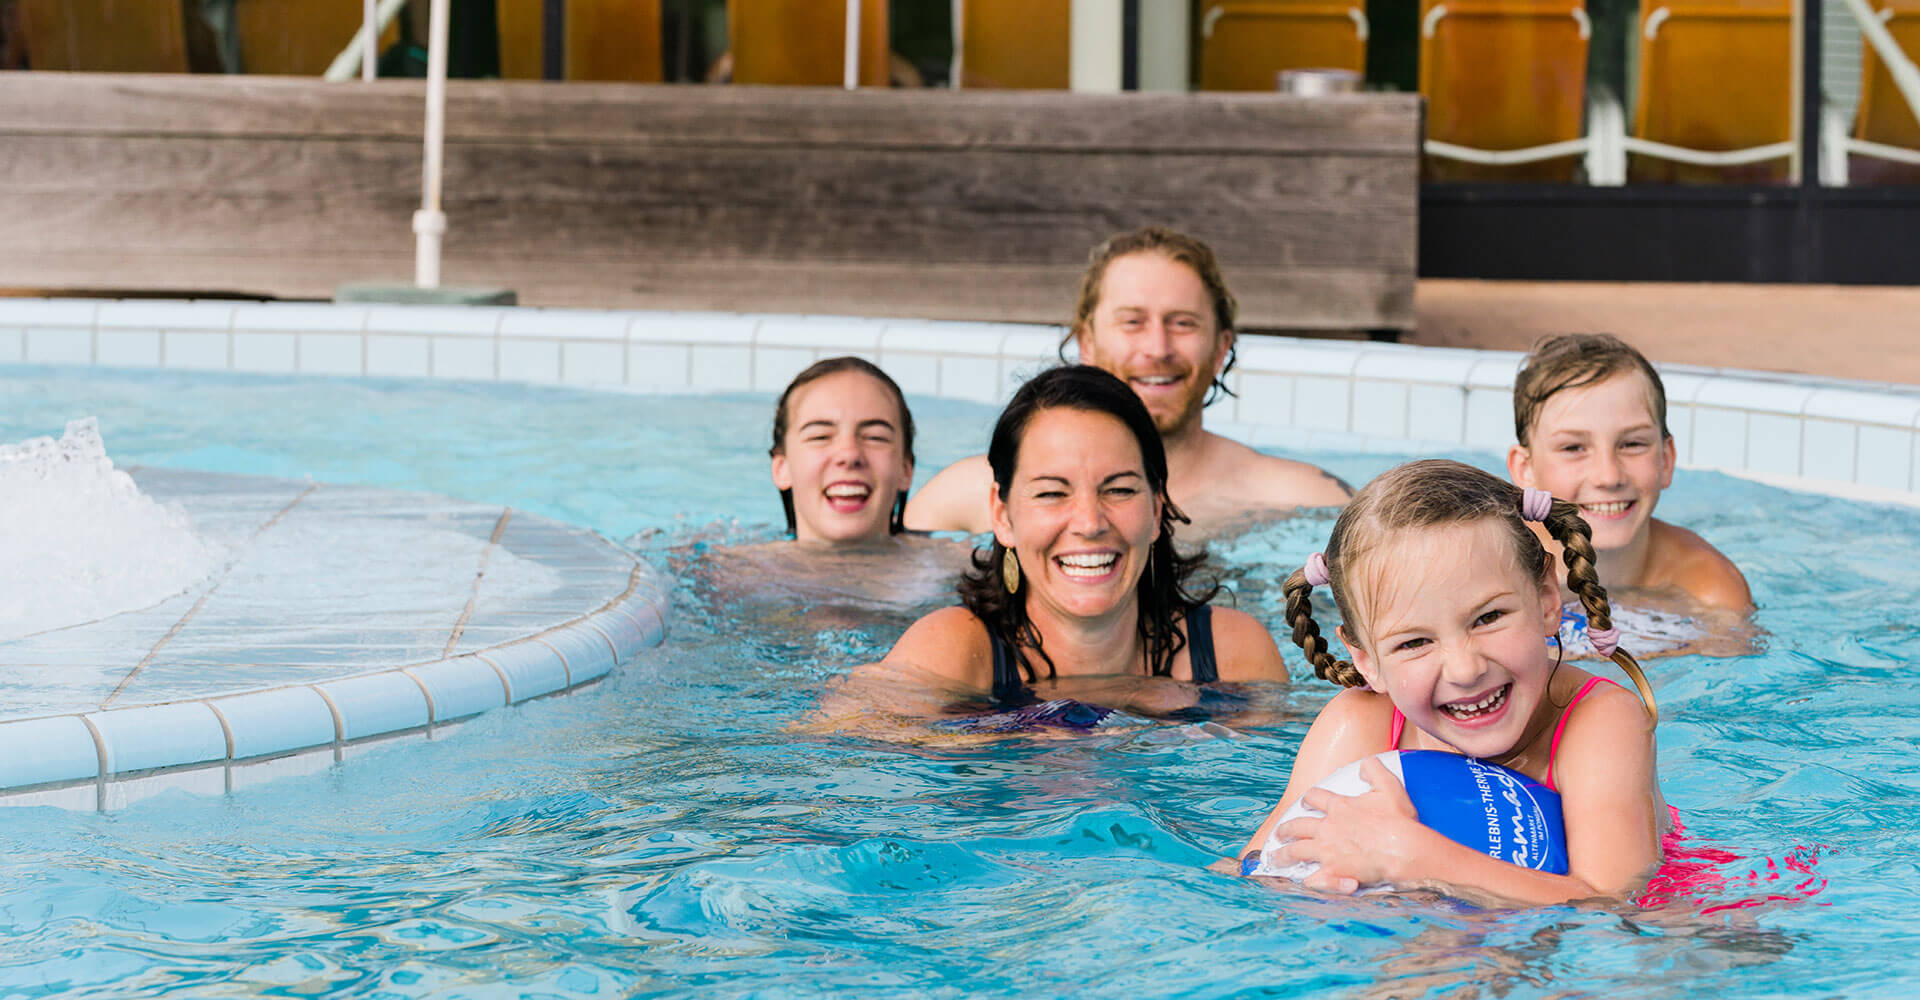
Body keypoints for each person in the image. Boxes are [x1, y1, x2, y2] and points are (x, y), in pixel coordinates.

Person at [1238, 459, 1666, 904]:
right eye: (1415, 642)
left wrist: (1412, 858)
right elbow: (1257, 865)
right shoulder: (1359, 725)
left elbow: (1612, 904)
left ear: (1546, 599)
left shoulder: (1600, 722)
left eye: (1489, 617)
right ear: (1367, 661)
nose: (1465, 670)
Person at [834, 365, 1290, 725]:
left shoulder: (1233, 655)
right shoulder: (952, 653)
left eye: (1120, 489)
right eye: (1052, 492)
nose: (1090, 523)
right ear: (1002, 514)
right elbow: (826, 776)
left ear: (1156, 508)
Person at [905, 227, 1352, 540]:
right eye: (1132, 322)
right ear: (1087, 343)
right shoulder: (962, 500)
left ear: (1220, 348)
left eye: (1183, 323)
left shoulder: (1306, 500)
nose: (1158, 348)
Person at [691, 357, 965, 613]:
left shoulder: (957, 570)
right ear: (782, 468)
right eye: (820, 436)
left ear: (906, 470)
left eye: (875, 437)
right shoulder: (723, 575)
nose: (849, 455)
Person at [1508, 334, 1751, 612]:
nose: (1609, 477)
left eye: (1632, 444)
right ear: (1525, 469)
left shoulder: (1710, 592)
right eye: (1573, 447)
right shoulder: (1494, 571)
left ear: (1666, 460)